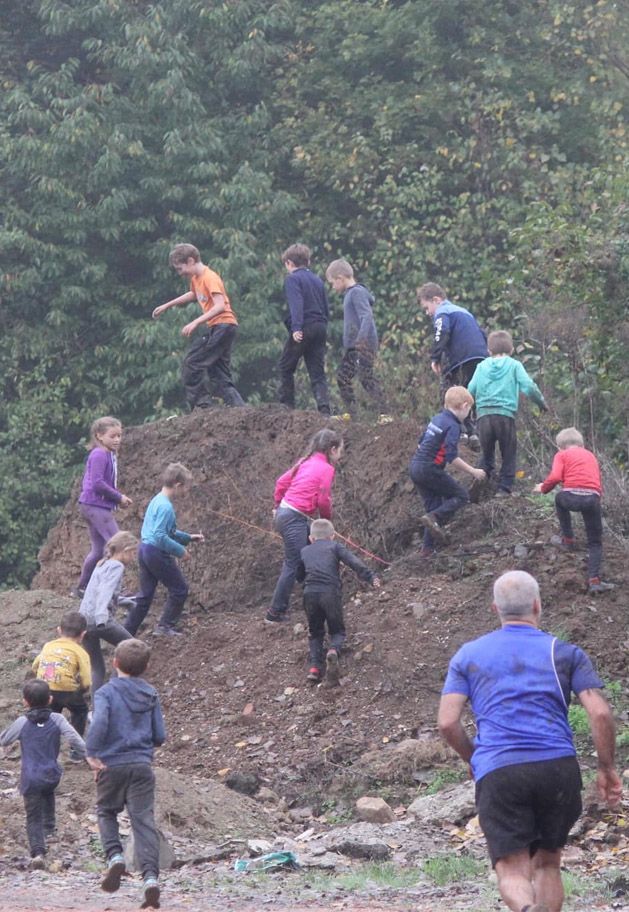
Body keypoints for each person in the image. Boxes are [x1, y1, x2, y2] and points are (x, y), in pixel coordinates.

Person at [438, 570, 622, 912]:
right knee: (548, 863)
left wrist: (474, 758)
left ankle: (526, 909)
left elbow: (448, 722)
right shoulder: (564, 652)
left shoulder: (468, 655)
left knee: (511, 868)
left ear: (495, 609)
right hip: (557, 768)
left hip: (500, 769)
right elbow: (599, 714)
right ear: (537, 605)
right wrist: (606, 767)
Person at [86, 639, 165, 910]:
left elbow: (100, 722)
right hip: (142, 766)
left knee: (106, 811)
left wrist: (92, 752)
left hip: (111, 765)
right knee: (143, 821)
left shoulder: (105, 692)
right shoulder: (151, 693)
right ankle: (151, 879)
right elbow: (160, 736)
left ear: (114, 662)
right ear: (147, 666)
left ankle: (115, 857)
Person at [0, 680, 86, 868]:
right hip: (52, 775)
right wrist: (80, 755)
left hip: (30, 778)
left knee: (33, 816)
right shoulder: (58, 719)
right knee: (48, 793)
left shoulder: (22, 722)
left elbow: (4, 740)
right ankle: (50, 831)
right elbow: (76, 740)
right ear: (50, 699)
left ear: (25, 702)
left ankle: (38, 853)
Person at [153, 243, 245, 409]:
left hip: (222, 325)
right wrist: (167, 305)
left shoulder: (210, 277)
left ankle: (202, 405)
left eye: (180, 269)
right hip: (223, 327)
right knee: (218, 373)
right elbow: (193, 294)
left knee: (192, 362)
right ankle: (240, 409)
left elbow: (220, 306)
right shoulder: (196, 279)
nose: (180, 273)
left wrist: (196, 322)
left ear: (190, 261)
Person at [266, 429, 343, 623]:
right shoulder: (326, 469)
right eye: (341, 450)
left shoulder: (304, 461)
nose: (341, 455)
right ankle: (274, 613)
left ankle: (312, 592)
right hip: (293, 517)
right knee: (293, 561)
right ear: (332, 449)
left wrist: (277, 505)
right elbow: (324, 500)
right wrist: (325, 523)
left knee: (306, 553)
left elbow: (280, 483)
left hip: (287, 514)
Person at [296, 519, 380, 685]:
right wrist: (371, 577)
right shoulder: (335, 547)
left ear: (311, 538)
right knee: (337, 631)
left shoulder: (304, 551)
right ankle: (333, 650)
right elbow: (354, 562)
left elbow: (299, 574)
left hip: (310, 593)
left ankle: (314, 669)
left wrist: (304, 580)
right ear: (332, 536)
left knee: (315, 632)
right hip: (330, 593)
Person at [124, 463, 204, 637]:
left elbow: (168, 531)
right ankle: (164, 626)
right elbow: (160, 536)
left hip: (144, 550)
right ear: (178, 485)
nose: (185, 492)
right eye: (186, 488)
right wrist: (180, 551)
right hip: (156, 552)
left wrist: (188, 538)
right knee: (180, 589)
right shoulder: (166, 507)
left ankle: (125, 632)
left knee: (144, 597)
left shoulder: (156, 500)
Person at [533, 427, 614, 594]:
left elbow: (555, 477)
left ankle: (568, 540)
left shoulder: (561, 455)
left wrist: (543, 488)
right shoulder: (591, 455)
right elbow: (596, 481)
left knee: (558, 499)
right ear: (582, 445)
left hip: (570, 496)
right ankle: (594, 581)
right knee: (595, 542)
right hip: (592, 498)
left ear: (560, 446)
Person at [467, 331, 547, 497]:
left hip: (484, 416)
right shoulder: (514, 365)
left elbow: (471, 389)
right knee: (508, 453)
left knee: (487, 453)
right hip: (505, 416)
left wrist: (466, 413)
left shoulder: (481, 366)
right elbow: (529, 387)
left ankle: (480, 480)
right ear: (511, 350)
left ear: (489, 351)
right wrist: (541, 403)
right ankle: (504, 489)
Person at [409, 386, 486, 555]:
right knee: (461, 496)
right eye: (470, 410)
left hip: (415, 467)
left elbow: (421, 443)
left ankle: (427, 550)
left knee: (433, 507)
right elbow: (451, 456)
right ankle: (434, 519)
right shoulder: (453, 425)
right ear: (465, 406)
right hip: (430, 469)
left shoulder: (437, 419)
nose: (469, 415)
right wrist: (473, 471)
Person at [417, 282, 487, 445]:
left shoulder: (443, 312)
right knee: (469, 395)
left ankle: (458, 432)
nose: (428, 313)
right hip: (480, 357)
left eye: (427, 308)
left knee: (450, 393)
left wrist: (435, 357)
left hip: (460, 359)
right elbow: (482, 332)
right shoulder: (465, 312)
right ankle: (473, 432)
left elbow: (442, 332)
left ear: (436, 300)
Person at [73, 416, 132, 598]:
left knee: (99, 550)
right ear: (99, 436)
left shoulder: (108, 454)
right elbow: (97, 483)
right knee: (119, 545)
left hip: (92, 505)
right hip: (94, 505)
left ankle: (81, 588)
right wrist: (118, 497)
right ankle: (115, 589)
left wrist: (115, 500)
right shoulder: (99, 454)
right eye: (112, 436)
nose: (117, 440)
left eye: (119, 436)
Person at [325, 258, 385, 414]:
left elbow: (367, 316)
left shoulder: (356, 292)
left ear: (340, 278)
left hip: (362, 345)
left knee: (366, 378)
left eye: (332, 283)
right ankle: (352, 415)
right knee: (343, 378)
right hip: (354, 347)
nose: (332, 286)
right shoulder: (351, 293)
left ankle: (386, 413)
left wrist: (361, 340)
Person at [80, 532, 138, 691]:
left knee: (97, 668)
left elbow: (94, 592)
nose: (133, 557)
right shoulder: (117, 566)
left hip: (84, 621)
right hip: (100, 620)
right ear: (125, 550)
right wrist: (101, 617)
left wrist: (126, 602)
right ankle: (114, 689)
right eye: (133, 553)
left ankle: (97, 709)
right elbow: (105, 591)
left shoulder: (102, 564)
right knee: (131, 648)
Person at [278, 244, 331, 415]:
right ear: (307, 261)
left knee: (285, 367)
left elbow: (296, 304)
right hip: (320, 326)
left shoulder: (292, 279)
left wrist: (296, 328)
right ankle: (324, 409)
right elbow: (325, 306)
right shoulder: (317, 279)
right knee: (317, 372)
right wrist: (323, 326)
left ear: (289, 263)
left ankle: (287, 408)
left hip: (304, 327)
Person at [32, 611, 91, 748]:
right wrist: (83, 689)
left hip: (46, 688)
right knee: (80, 711)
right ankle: (75, 749)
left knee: (50, 715)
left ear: (59, 630)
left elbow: (35, 665)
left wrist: (41, 678)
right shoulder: (80, 651)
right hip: (68, 690)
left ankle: (47, 746)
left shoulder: (48, 646)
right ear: (83, 634)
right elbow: (86, 678)